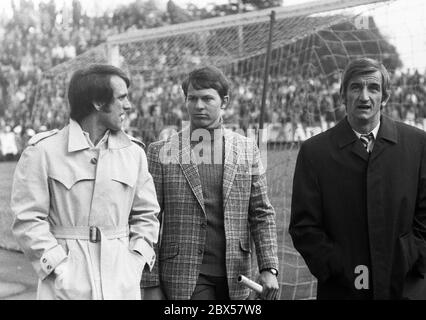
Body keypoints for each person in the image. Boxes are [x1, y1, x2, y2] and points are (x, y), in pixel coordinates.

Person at [10, 64, 160, 300]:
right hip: (64, 285)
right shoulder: (44, 151)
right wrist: (60, 269)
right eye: (121, 98)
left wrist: (135, 262)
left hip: (122, 284)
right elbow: (28, 219)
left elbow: (147, 215)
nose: (129, 105)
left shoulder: (134, 153)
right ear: (98, 103)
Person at [289, 57, 426, 300]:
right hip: (343, 290)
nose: (364, 96)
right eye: (356, 87)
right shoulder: (314, 152)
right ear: (342, 95)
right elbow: (304, 226)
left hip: (406, 286)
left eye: (373, 88)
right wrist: (340, 267)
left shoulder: (417, 143)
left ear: (385, 97)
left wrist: (410, 256)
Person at [141, 66, 279, 300]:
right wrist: (150, 283)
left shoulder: (247, 149)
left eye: (207, 98)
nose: (199, 106)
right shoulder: (160, 152)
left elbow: (261, 213)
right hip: (185, 276)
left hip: (237, 276)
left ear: (223, 101)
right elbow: (148, 220)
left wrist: (269, 268)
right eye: (192, 98)